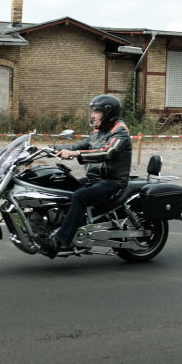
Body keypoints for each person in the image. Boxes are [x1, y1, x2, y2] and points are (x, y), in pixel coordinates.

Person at [37, 94, 132, 258]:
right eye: (93, 110)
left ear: (108, 113)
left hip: (112, 183)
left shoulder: (120, 132)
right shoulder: (98, 132)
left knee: (80, 196)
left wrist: (76, 153)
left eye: (97, 111)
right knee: (62, 185)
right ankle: (58, 226)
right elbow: (76, 145)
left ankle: (59, 242)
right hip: (94, 180)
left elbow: (107, 152)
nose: (93, 115)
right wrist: (47, 149)